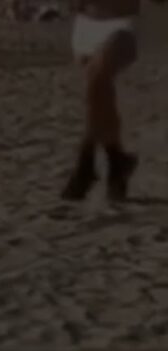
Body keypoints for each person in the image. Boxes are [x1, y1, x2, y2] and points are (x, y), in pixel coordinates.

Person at [62, 0, 163, 201]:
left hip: (121, 24)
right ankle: (116, 160)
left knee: (97, 79)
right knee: (101, 97)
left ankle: (86, 162)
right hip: (86, 23)